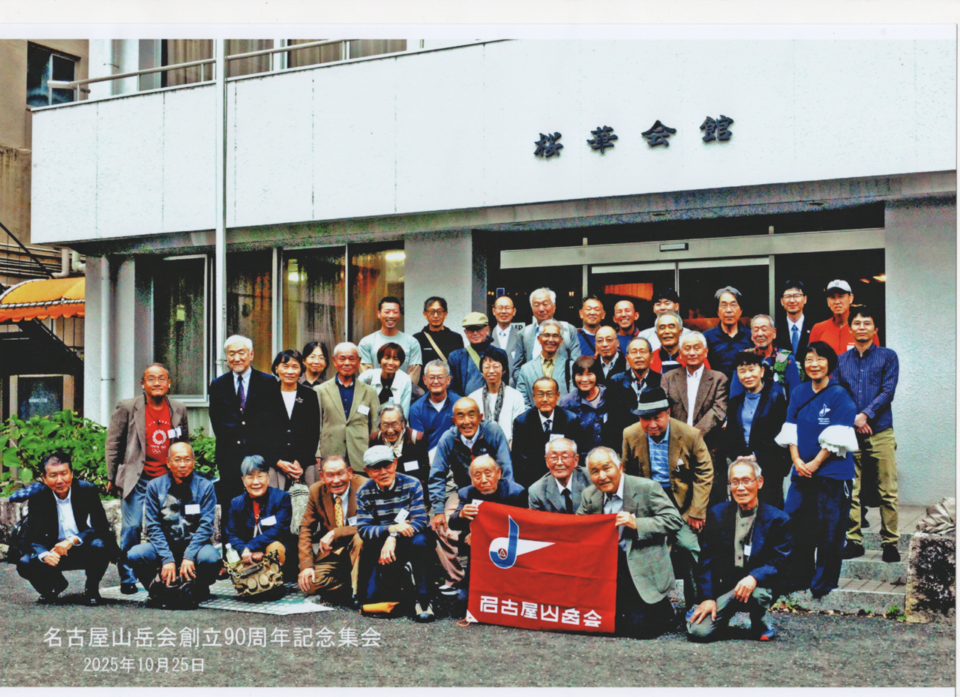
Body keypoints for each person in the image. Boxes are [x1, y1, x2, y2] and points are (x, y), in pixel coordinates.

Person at [775, 341, 859, 598]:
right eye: (809, 359)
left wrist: (815, 463)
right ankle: (799, 576)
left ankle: (824, 582)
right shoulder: (799, 391)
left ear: (830, 363)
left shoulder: (840, 394)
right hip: (802, 472)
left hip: (832, 474)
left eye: (820, 359)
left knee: (829, 529)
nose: (814, 364)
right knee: (794, 522)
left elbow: (839, 435)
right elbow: (790, 427)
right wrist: (797, 460)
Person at [576, 446, 684, 638]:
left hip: (642, 562)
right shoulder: (590, 495)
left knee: (642, 629)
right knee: (604, 624)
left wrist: (638, 524)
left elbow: (674, 520)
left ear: (620, 467)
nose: (602, 476)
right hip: (609, 566)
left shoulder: (647, 488)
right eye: (595, 471)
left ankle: (663, 609)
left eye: (606, 468)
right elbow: (577, 527)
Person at [621, 387, 713, 608]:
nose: (652, 424)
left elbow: (704, 472)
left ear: (668, 413)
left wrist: (696, 511)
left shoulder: (690, 435)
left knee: (690, 547)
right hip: (647, 503)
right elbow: (627, 474)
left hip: (681, 504)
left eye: (657, 418)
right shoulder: (630, 434)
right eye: (646, 419)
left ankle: (696, 603)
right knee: (640, 548)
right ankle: (651, 605)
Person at [686, 457, 792, 642]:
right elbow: (706, 561)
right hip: (726, 588)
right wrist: (707, 598)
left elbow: (780, 561)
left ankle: (760, 621)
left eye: (746, 481)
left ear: (759, 482)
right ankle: (721, 618)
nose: (740, 488)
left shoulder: (777, 519)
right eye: (734, 482)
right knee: (698, 632)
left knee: (758, 594)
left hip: (758, 586)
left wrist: (754, 577)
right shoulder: (718, 514)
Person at [107, 362, 190, 595]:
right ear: (143, 383)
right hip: (138, 478)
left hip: (167, 479)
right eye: (151, 379)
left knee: (170, 526)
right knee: (132, 526)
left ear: (169, 383)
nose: (157, 383)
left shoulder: (178, 408)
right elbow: (113, 443)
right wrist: (112, 476)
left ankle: (165, 572)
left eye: (162, 378)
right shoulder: (127, 407)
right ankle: (127, 576)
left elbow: (184, 443)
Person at [835, 304, 901, 562]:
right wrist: (854, 417)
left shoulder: (888, 356)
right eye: (857, 323)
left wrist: (866, 415)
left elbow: (888, 391)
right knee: (851, 489)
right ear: (850, 328)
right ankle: (854, 541)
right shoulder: (841, 360)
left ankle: (890, 542)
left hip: (880, 431)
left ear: (875, 328)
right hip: (850, 432)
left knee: (888, 489)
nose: (861, 327)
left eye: (867, 323)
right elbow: (837, 392)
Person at [16, 452, 119, 606]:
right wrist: (44, 554)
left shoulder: (86, 490)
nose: (60, 480)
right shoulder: (38, 496)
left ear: (71, 473)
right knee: (25, 563)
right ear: (44, 478)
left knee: (100, 545)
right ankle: (54, 586)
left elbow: (101, 527)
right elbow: (31, 536)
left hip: (83, 548)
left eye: (64, 474)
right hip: (54, 551)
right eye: (53, 475)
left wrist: (72, 540)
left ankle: (92, 588)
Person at [127, 442, 221, 609]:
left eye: (187, 459)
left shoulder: (205, 487)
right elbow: (153, 526)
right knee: (136, 554)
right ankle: (157, 590)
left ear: (194, 461)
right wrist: (167, 558)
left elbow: (206, 526)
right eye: (177, 460)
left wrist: (189, 556)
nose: (182, 464)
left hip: (195, 547)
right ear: (168, 462)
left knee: (211, 558)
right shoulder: (155, 487)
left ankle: (198, 588)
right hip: (165, 546)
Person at [355, 445, 434, 622]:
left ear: (395, 463)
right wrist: (390, 530)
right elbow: (363, 529)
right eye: (376, 468)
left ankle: (424, 600)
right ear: (367, 471)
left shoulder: (412, 484)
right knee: (371, 601)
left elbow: (420, 520)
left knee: (421, 541)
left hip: (409, 538)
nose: (383, 472)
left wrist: (394, 536)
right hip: (381, 544)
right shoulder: (363, 492)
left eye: (387, 465)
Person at [208, 335, 276, 536]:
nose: (236, 358)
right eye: (231, 354)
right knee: (231, 506)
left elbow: (271, 421)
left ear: (251, 355)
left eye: (241, 353)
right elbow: (217, 422)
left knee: (261, 505)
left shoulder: (268, 382)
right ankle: (231, 547)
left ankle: (261, 546)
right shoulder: (218, 385)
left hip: (260, 456)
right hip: (229, 457)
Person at [661, 331, 728, 502]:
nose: (692, 352)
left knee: (711, 502)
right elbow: (663, 410)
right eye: (687, 348)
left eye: (697, 348)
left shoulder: (719, 379)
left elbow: (718, 411)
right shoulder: (668, 378)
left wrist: (691, 437)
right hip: (676, 449)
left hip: (709, 449)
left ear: (705, 351)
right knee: (679, 501)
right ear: (680, 353)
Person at [448, 456, 528, 598]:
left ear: (498, 473)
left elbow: (524, 528)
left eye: (488, 473)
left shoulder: (515, 493)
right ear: (472, 479)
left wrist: (482, 534)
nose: (484, 480)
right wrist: (461, 514)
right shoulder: (466, 493)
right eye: (477, 475)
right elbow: (452, 524)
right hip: (479, 554)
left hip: (512, 551)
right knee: (463, 601)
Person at [298, 454, 367, 605]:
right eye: (330, 475)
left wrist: (335, 533)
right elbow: (306, 529)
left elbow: (369, 524)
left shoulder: (364, 486)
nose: (336, 480)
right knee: (309, 583)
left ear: (350, 472)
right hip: (333, 552)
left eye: (340, 474)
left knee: (360, 538)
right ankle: (350, 585)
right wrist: (306, 566)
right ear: (322, 477)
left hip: (359, 550)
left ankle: (358, 591)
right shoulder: (316, 491)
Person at [428, 397, 514, 517]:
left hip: (493, 491)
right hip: (464, 493)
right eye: (461, 416)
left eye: (471, 415)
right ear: (454, 420)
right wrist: (439, 510)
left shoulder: (493, 432)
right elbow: (437, 475)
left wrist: (506, 500)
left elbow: (506, 468)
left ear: (480, 417)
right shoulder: (448, 439)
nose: (467, 422)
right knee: (447, 522)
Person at [725, 352, 790, 509]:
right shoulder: (735, 402)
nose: (747, 375)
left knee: (769, 510)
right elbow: (731, 436)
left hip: (769, 465)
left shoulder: (776, 398)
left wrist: (756, 456)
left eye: (751, 369)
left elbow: (781, 435)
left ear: (761, 371)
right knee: (743, 509)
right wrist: (738, 456)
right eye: (742, 371)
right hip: (743, 467)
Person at [224, 455, 294, 581]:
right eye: (250, 477)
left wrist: (251, 546)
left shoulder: (281, 498)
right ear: (243, 480)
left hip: (271, 550)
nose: (256, 482)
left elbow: (278, 529)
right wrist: (245, 550)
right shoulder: (236, 503)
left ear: (268, 478)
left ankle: (274, 580)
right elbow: (232, 534)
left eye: (260, 476)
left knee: (275, 547)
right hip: (247, 554)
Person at [314, 342, 381, 473]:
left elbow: (375, 426)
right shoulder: (320, 390)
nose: (347, 363)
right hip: (330, 453)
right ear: (334, 361)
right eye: (342, 359)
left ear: (359, 361)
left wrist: (374, 453)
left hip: (361, 455)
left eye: (351, 359)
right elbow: (316, 425)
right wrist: (317, 453)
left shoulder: (369, 392)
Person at [263, 349, 321, 490]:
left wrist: (299, 462)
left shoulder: (309, 396)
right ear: (276, 368)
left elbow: (313, 433)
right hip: (274, 466)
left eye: (295, 367)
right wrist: (278, 462)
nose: (290, 371)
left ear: (301, 370)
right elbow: (260, 434)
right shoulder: (265, 395)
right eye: (285, 366)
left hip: (303, 466)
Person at [512, 377, 583, 490]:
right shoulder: (522, 422)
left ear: (557, 396)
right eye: (540, 394)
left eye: (549, 394)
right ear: (533, 396)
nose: (545, 399)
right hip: (533, 482)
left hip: (564, 478)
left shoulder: (570, 420)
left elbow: (576, 456)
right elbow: (519, 463)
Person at [509, 288, 581, 379]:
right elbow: (517, 369)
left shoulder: (568, 330)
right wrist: (526, 384)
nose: (541, 309)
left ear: (554, 307)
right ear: (532, 309)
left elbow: (576, 365)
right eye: (536, 305)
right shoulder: (524, 334)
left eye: (545, 304)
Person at [729, 315, 801, 401]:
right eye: (756, 330)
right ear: (751, 335)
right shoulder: (744, 357)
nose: (760, 334)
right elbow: (735, 395)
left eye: (764, 329)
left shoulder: (785, 357)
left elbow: (796, 396)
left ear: (774, 333)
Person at [357, 296, 423, 385]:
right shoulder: (366, 342)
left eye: (395, 312)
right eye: (387, 312)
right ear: (379, 314)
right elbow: (366, 374)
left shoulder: (412, 342)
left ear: (399, 314)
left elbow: (413, 374)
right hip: (375, 391)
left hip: (403, 391)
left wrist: (402, 390)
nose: (391, 316)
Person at [467, 346, 526, 446]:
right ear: (482, 371)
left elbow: (519, 429)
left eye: (495, 366)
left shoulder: (515, 396)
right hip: (480, 449)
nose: (491, 371)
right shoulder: (473, 398)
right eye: (487, 367)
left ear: (503, 370)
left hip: (508, 448)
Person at [606, 337, 661, 440]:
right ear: (627, 358)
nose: (638, 356)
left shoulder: (661, 381)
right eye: (634, 352)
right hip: (624, 439)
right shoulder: (616, 381)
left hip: (653, 438)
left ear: (651, 357)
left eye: (643, 352)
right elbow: (612, 418)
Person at [369, 405, 431, 496]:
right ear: (379, 425)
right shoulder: (375, 439)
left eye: (394, 425)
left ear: (402, 423)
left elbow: (424, 475)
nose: (390, 431)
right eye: (385, 425)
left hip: (411, 493)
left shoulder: (416, 438)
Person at [809, 280, 880, 356]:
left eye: (841, 296)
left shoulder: (865, 328)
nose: (837, 302)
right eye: (832, 297)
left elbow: (876, 358)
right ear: (828, 302)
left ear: (851, 298)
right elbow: (812, 358)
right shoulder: (818, 329)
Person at [514, 319, 574, 408]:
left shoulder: (571, 367)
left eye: (555, 335)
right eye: (547, 335)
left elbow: (574, 400)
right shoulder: (526, 369)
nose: (551, 339)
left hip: (563, 416)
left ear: (561, 340)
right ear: (539, 339)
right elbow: (523, 402)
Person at [559, 356, 614, 453]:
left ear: (596, 375)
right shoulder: (567, 403)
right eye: (580, 374)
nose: (584, 379)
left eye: (589, 374)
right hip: (582, 458)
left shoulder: (609, 395)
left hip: (610, 455)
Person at [408, 359, 462, 456]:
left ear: (448, 380)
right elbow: (420, 444)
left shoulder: (460, 403)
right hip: (429, 458)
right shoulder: (416, 409)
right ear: (425, 380)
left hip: (457, 456)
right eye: (432, 377)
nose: (436, 381)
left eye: (440, 377)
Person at [413, 297, 465, 390]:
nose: (436, 315)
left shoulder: (456, 338)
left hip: (450, 390)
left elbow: (459, 367)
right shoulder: (417, 339)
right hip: (426, 390)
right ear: (425, 314)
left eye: (439, 312)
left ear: (445, 314)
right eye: (432, 312)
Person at [448, 312, 506, 398]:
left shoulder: (500, 354)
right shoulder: (456, 357)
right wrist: (462, 402)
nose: (475, 333)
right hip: (465, 403)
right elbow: (451, 387)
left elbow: (504, 383)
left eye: (479, 329)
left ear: (487, 330)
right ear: (465, 332)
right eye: (471, 329)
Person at [528, 438, 591, 514]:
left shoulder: (591, 479)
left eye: (565, 457)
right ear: (547, 461)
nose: (559, 463)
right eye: (554, 457)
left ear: (576, 460)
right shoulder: (536, 491)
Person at [703, 286, 753, 379]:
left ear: (741, 310)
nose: (729, 310)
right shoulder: (706, 337)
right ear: (717, 311)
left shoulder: (751, 336)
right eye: (724, 305)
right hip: (716, 386)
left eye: (733, 305)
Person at [358, 342, 413, 418]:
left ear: (400, 363)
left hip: (394, 422)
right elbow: (359, 407)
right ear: (380, 360)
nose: (391, 363)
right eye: (387, 358)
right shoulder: (367, 377)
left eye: (396, 359)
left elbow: (404, 412)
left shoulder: (405, 379)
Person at [774, 280, 811, 360]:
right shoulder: (775, 330)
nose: (792, 300)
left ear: (805, 299)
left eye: (796, 296)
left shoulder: (814, 328)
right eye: (787, 296)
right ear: (782, 301)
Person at [490, 295, 522, 361]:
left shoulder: (521, 336)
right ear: (494, 311)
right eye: (500, 308)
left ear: (514, 311)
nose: (504, 311)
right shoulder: (487, 336)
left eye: (507, 308)